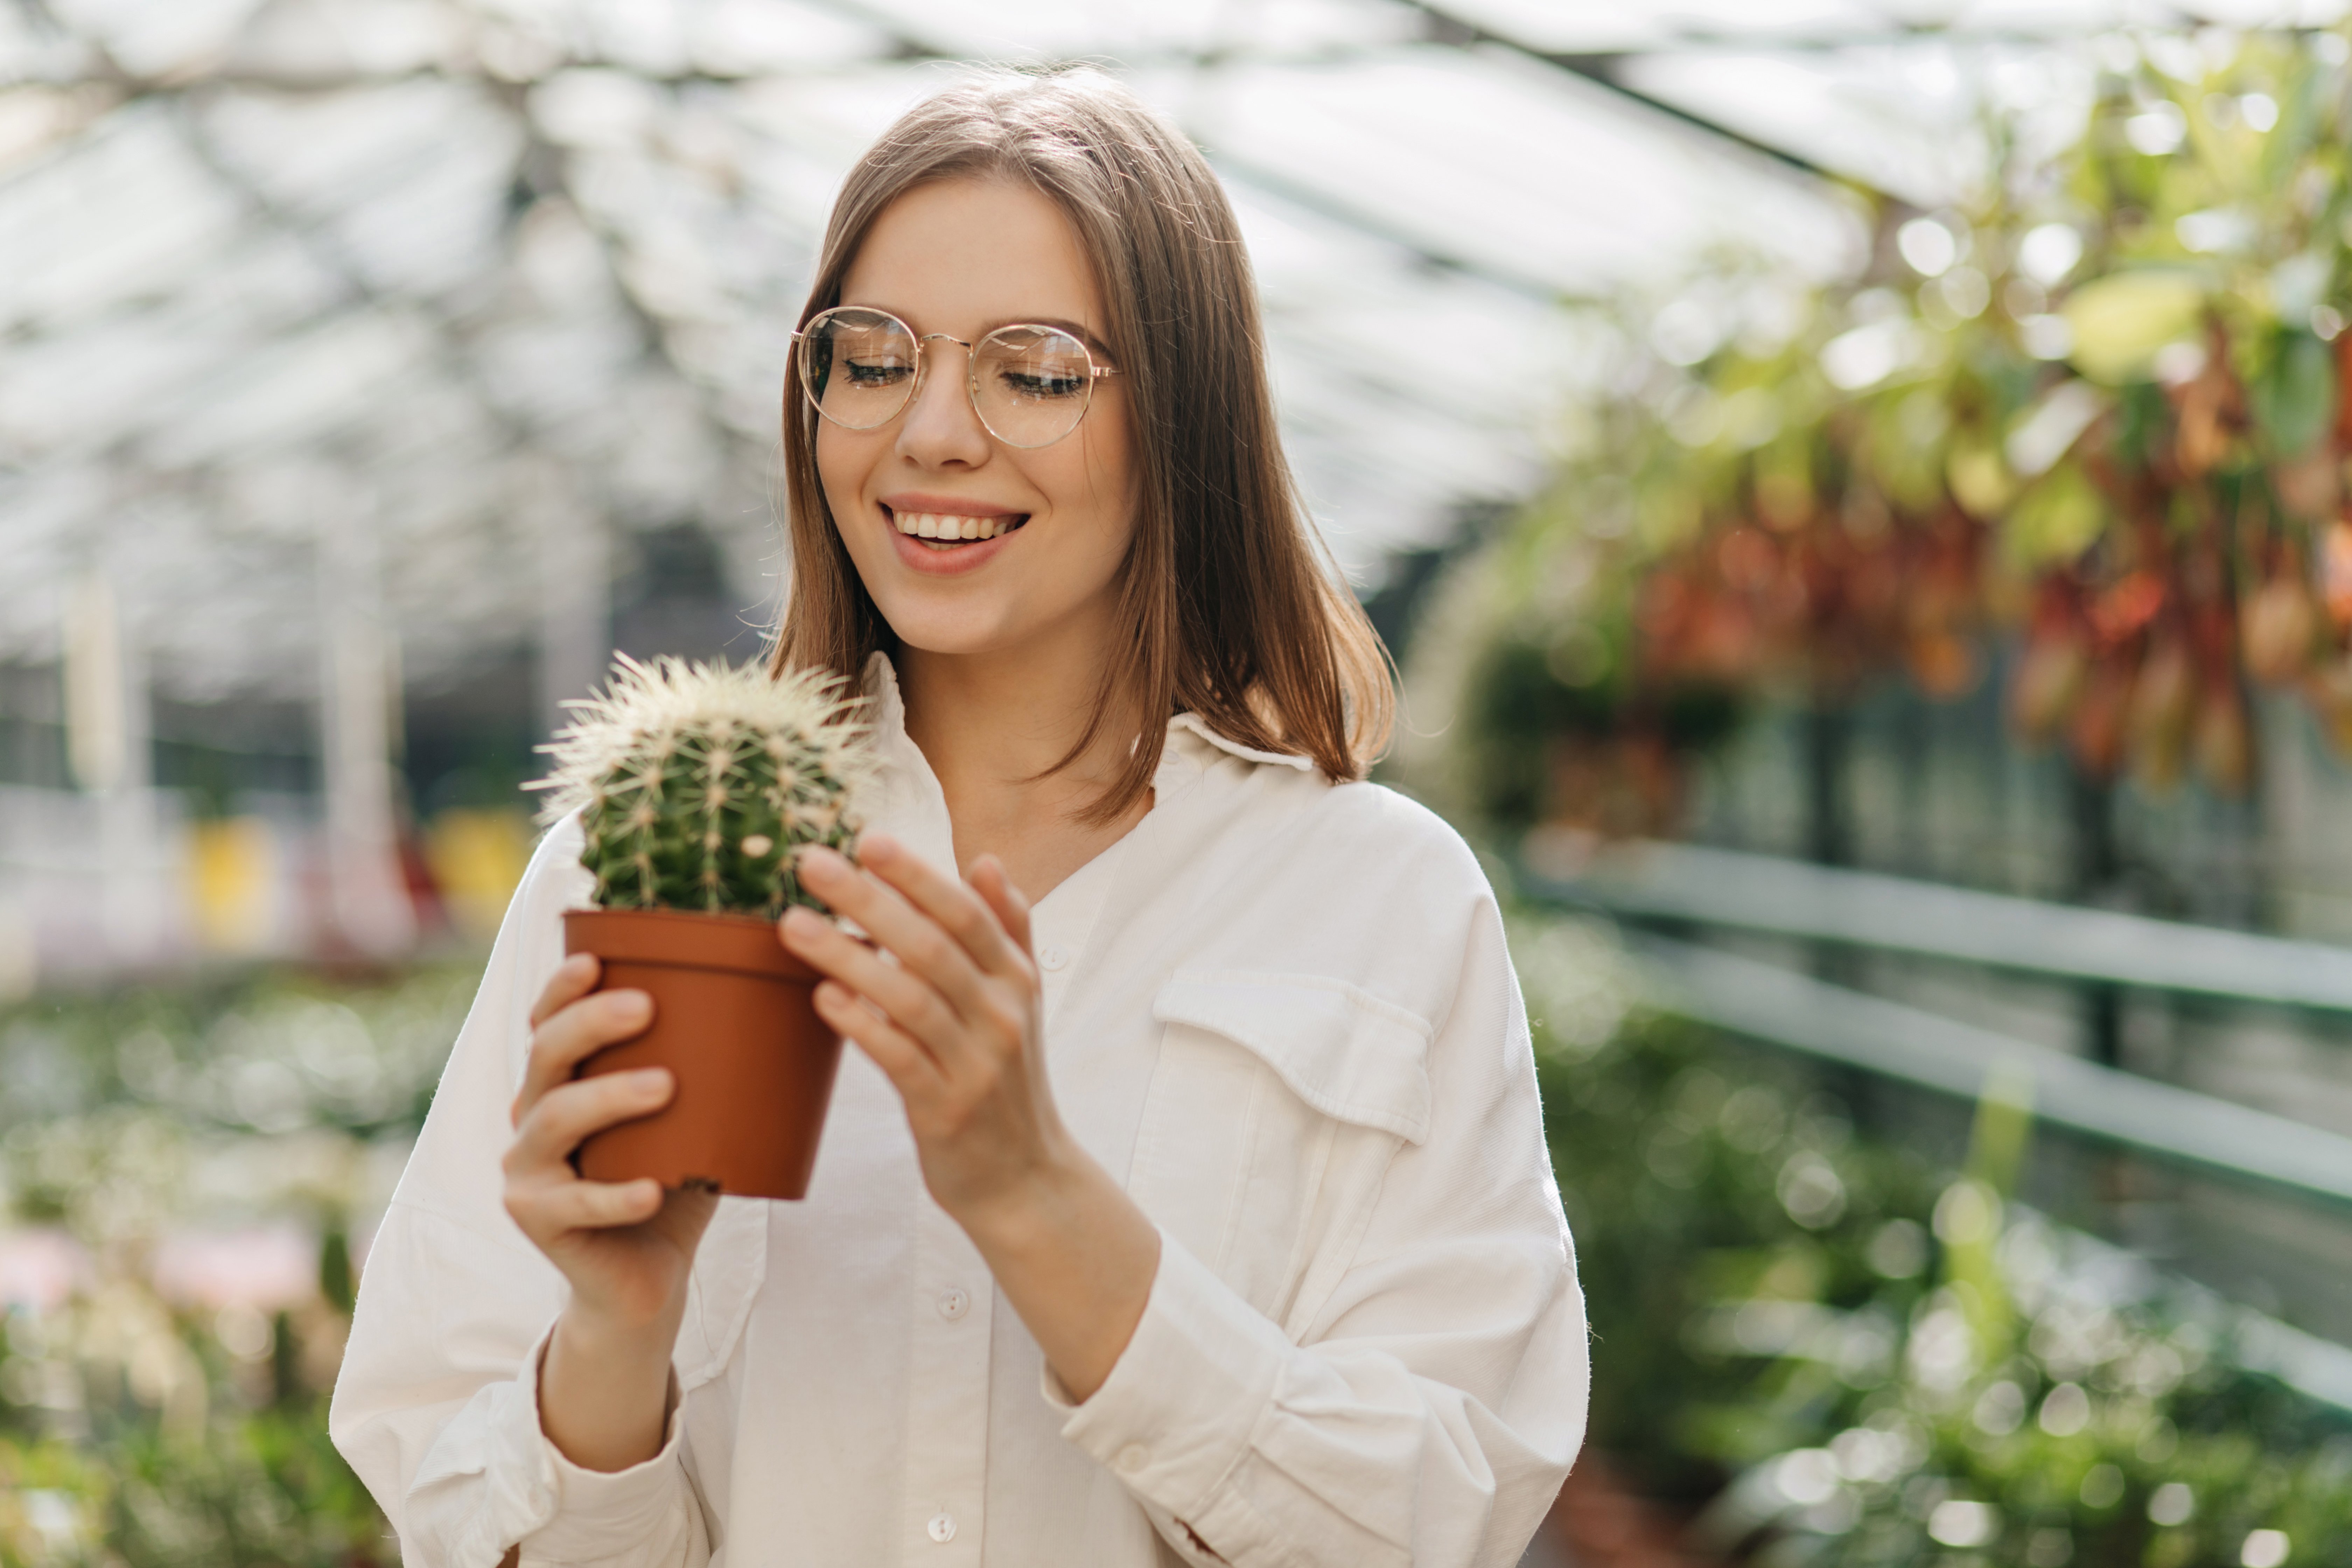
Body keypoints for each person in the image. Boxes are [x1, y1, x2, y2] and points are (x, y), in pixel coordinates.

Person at [331, 66, 1586, 1568]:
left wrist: (1033, 1194)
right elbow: (455, 1502)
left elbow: (1438, 1520)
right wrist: (613, 1340)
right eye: (872, 359)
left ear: (1177, 423)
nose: (929, 432)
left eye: (1036, 370)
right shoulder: (640, 868)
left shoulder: (1380, 901)